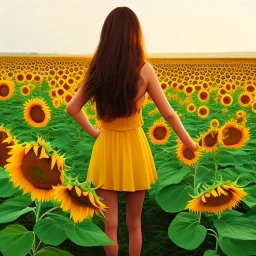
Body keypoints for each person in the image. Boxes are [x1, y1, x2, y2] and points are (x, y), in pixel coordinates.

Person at [66, 6, 197, 256]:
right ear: (135, 34)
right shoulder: (144, 69)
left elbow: (73, 107)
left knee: (110, 225)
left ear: (107, 35)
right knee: (134, 224)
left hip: (106, 149)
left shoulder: (97, 69)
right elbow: (168, 113)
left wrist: (95, 132)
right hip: (135, 148)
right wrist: (190, 144)